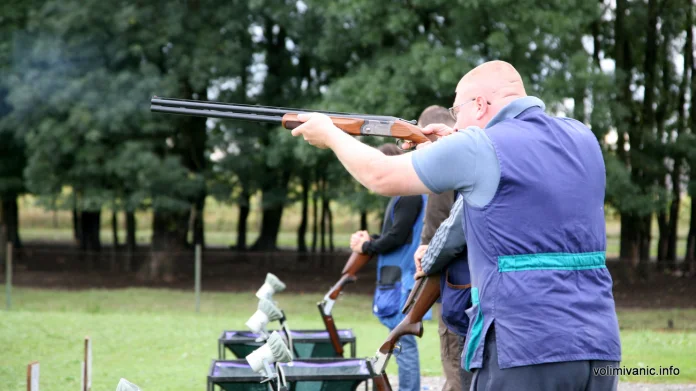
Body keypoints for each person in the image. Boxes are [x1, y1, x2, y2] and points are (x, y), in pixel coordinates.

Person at [291, 60, 622, 390]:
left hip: (523, 346)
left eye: (457, 110)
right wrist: (452, 145)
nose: (455, 120)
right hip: (598, 344)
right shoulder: (582, 137)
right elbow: (522, 181)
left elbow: (379, 175)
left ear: (479, 104)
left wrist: (331, 134)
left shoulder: (479, 148)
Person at [349, 143, 425, 391]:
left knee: (404, 345)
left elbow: (397, 237)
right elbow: (395, 234)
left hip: (401, 283)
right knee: (401, 343)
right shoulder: (408, 193)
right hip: (399, 280)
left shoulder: (409, 194)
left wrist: (367, 248)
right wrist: (369, 241)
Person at [414, 105, 472, 391]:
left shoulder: (443, 166)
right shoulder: (471, 157)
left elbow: (437, 231)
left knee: (454, 363)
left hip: (453, 285)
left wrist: (425, 250)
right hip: (475, 285)